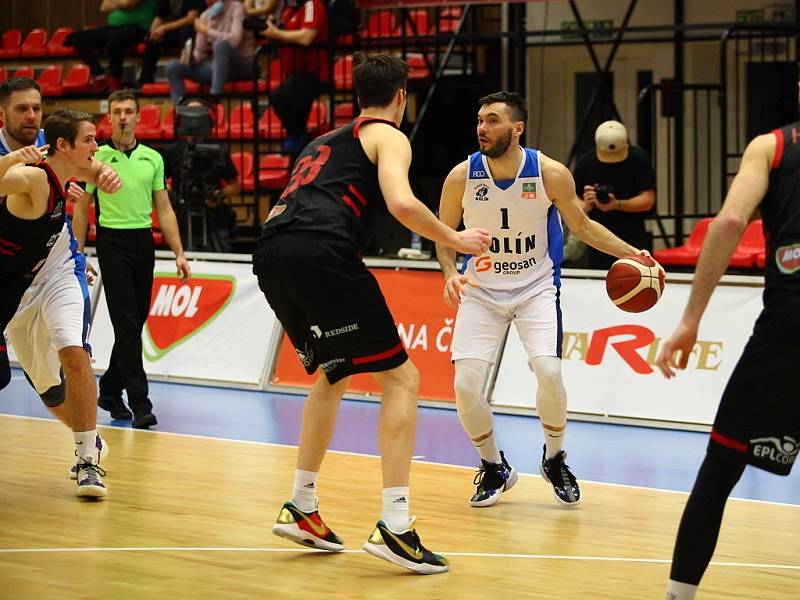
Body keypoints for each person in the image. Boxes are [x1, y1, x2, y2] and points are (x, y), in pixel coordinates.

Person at [253, 53, 490, 574]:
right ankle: (396, 527)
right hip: (320, 251)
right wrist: (454, 238)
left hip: (270, 252)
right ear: (401, 96)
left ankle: (302, 506)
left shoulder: (323, 140)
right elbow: (402, 204)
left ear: (356, 95)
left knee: (335, 371)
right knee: (403, 379)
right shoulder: (389, 135)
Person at [437, 91, 655, 509]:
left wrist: (632, 253)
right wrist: (450, 272)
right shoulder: (461, 176)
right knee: (465, 385)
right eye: (480, 120)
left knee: (549, 371)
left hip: (536, 286)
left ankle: (554, 460)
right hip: (480, 290)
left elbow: (584, 227)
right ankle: (494, 466)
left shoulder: (549, 173)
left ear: (517, 128)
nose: (483, 128)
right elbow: (443, 234)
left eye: (493, 120)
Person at [654, 114, 800, 599]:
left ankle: (679, 595)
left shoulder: (773, 147)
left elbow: (731, 221)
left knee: (721, 468)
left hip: (787, 328)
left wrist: (691, 318)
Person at [0, 109, 123, 497]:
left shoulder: (72, 169)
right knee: (49, 389)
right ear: (63, 145)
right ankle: (87, 435)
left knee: (74, 350)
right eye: (89, 139)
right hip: (13, 290)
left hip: (57, 277)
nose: (97, 146)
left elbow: (94, 167)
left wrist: (105, 171)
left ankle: (88, 461)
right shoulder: (34, 177)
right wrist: (11, 159)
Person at [72, 90, 191, 429]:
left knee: (134, 323)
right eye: (116, 112)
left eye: (128, 111)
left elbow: (164, 209)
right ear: (108, 118)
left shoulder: (153, 158)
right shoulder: (96, 158)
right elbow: (82, 208)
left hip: (143, 241)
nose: (123, 117)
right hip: (112, 242)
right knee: (126, 323)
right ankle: (141, 403)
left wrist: (179, 252)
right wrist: (79, 254)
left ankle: (109, 390)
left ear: (139, 117)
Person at [573, 120, 656, 270]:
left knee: (638, 274)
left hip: (633, 232)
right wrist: (585, 205)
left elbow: (648, 200)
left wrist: (617, 204)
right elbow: (573, 200)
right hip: (597, 236)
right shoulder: (585, 163)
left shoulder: (639, 159)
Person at [162, 99, 240, 251]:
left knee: (218, 264)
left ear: (208, 121)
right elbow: (159, 182)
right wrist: (170, 194)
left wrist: (219, 195)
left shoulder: (218, 151)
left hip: (215, 218)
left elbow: (235, 185)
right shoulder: (173, 152)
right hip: (182, 218)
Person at [260, 0, 329, 153]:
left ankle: (299, 138)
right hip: (294, 74)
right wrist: (273, 30)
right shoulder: (289, 10)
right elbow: (285, 33)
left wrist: (276, 33)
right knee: (291, 105)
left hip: (313, 73)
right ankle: (300, 140)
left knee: (278, 97)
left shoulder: (312, 4)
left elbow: (306, 37)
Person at [164, 0, 256, 106]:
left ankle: (214, 99)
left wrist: (207, 31)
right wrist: (189, 58)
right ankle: (182, 108)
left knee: (220, 46)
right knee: (173, 66)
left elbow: (235, 40)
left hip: (242, 65)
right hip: (218, 69)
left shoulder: (237, 7)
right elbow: (199, 54)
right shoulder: (205, 15)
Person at [67, 0, 158, 92]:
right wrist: (121, 4)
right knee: (78, 37)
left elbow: (128, 4)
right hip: (112, 28)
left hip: (138, 28)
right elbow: (103, 7)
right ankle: (99, 76)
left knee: (115, 39)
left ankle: (115, 79)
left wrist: (114, 3)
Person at [138, 0, 205, 87]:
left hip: (194, 29)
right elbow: (160, 17)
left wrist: (164, 28)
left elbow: (191, 18)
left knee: (186, 32)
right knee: (152, 39)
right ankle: (145, 81)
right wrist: (153, 32)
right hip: (174, 29)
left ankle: (188, 74)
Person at [0, 78, 47, 155]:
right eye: (22, 109)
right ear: (2, 114)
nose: (32, 116)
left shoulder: (56, 144)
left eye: (36, 108)